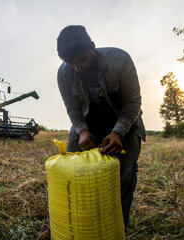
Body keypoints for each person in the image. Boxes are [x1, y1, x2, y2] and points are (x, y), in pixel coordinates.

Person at [57, 25, 146, 230]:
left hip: (125, 124)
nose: (76, 67)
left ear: (92, 47)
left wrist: (117, 132)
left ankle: (117, 229)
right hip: (88, 125)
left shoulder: (120, 60)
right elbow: (72, 108)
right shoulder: (64, 73)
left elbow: (133, 103)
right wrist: (82, 130)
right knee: (72, 172)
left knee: (121, 180)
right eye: (70, 64)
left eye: (80, 60)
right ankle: (83, 226)